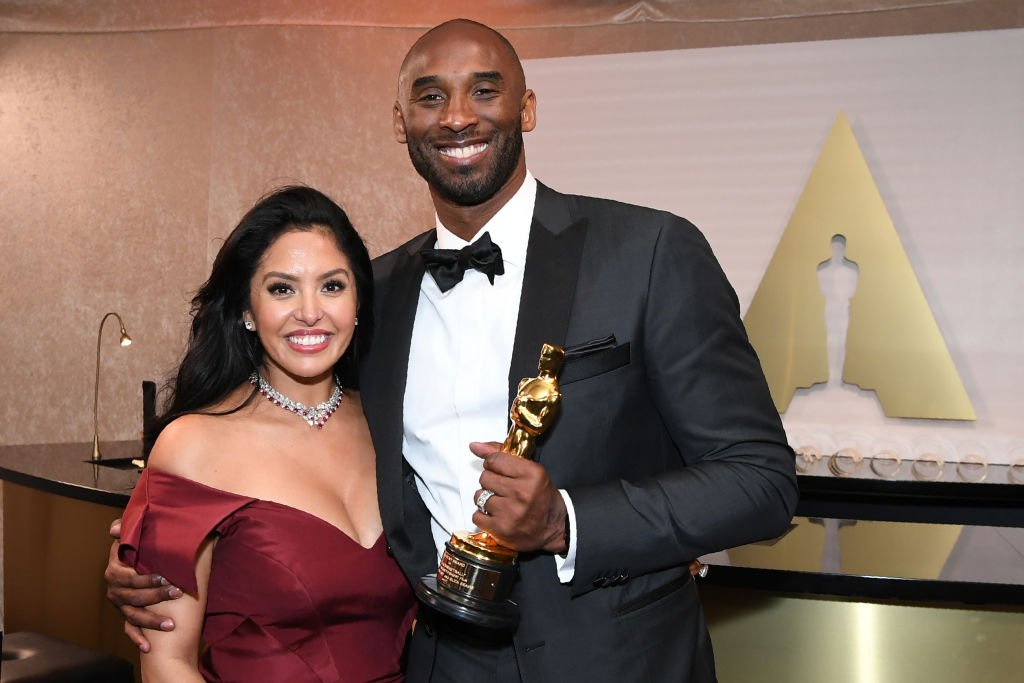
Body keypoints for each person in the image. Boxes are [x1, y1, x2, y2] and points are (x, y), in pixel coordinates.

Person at [107, 19, 798, 682]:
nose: (457, 116)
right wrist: (155, 554)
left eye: (485, 90)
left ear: (526, 108)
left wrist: (569, 520)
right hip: (438, 662)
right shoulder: (367, 297)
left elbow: (760, 481)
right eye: (430, 96)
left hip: (616, 659)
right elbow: (284, 448)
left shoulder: (648, 252)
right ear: (400, 122)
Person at [113, 186, 415, 682]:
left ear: (358, 301)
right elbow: (167, 663)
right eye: (282, 288)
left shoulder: (393, 425)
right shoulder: (193, 445)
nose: (310, 311)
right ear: (246, 310)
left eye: (332, 286)